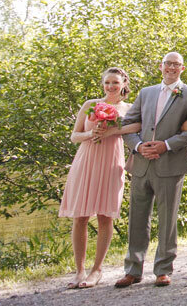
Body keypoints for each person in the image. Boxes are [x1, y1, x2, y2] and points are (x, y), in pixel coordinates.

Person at [115, 52, 187, 288]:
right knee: (137, 218)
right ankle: (133, 269)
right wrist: (137, 146)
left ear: (182, 68)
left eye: (176, 64)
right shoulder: (146, 92)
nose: (171, 68)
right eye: (168, 64)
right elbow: (128, 124)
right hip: (142, 163)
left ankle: (163, 269)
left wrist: (166, 145)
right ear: (161, 66)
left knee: (167, 219)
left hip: (170, 163)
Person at [59, 67, 133, 289]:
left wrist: (112, 130)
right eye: (107, 83)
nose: (110, 87)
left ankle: (96, 269)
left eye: (115, 83)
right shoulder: (90, 105)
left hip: (111, 162)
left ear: (123, 85)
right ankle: (79, 270)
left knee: (104, 216)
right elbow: (74, 136)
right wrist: (92, 134)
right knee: (80, 216)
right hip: (87, 160)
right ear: (102, 84)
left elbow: (135, 130)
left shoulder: (128, 108)